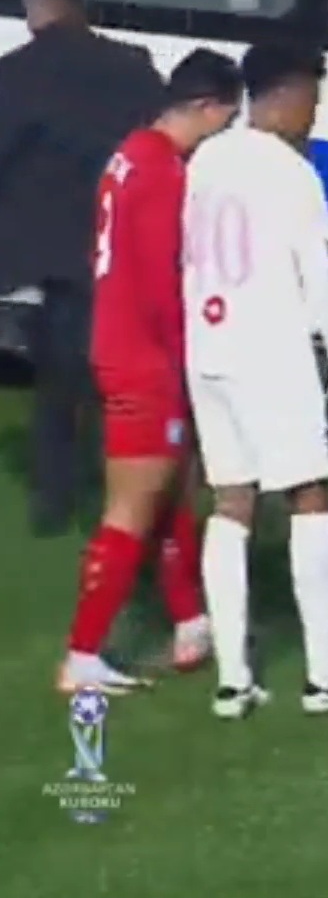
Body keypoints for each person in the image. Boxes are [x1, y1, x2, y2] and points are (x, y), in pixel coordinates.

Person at [184, 43, 328, 720]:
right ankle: (326, 678)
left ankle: (233, 680)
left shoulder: (208, 157)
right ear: (291, 91)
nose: (315, 115)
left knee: (231, 501)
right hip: (268, 349)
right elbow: (318, 285)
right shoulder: (293, 173)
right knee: (310, 494)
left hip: (207, 344)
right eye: (314, 99)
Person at [55, 49, 242, 694]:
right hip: (145, 358)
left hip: (115, 342)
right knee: (132, 510)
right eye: (226, 119)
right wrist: (188, 356)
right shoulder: (164, 172)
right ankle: (82, 654)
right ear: (208, 107)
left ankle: (191, 623)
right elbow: (164, 282)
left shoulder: (129, 154)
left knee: (169, 494)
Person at [0, 0, 166, 533]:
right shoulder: (133, 67)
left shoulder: (18, 73)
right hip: (124, 245)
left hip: (54, 254)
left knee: (59, 383)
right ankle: (123, 492)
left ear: (36, 2)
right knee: (119, 382)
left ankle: (54, 503)